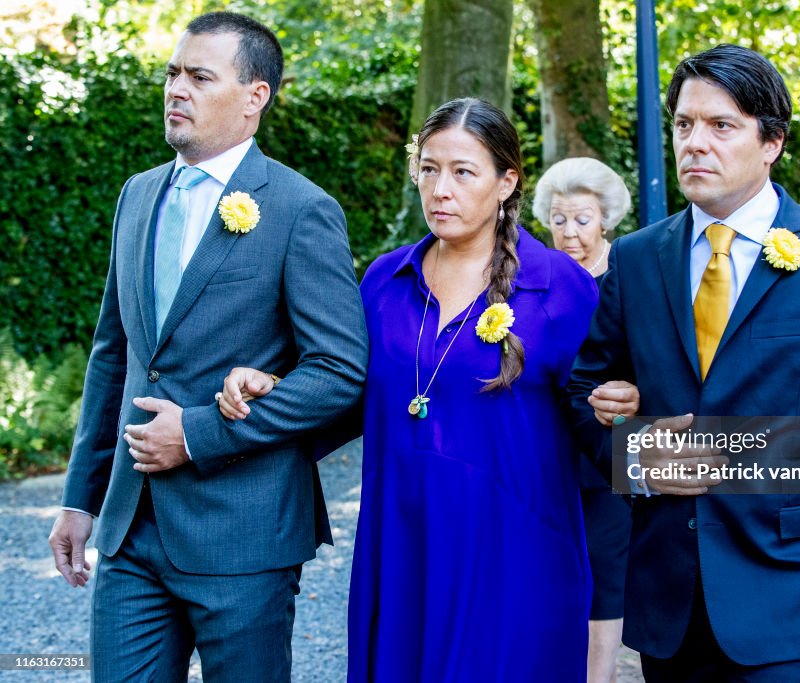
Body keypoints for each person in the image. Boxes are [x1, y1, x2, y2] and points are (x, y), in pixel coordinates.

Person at [566, 44, 800, 682]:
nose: (694, 143)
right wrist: (637, 458)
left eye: (721, 126)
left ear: (772, 144)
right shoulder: (635, 259)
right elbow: (583, 395)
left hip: (795, 590)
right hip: (670, 599)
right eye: (683, 125)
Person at [219, 98, 600, 682]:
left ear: (507, 182)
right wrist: (273, 387)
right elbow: (348, 396)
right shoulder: (384, 279)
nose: (439, 188)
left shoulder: (562, 288)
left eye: (463, 171)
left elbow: (602, 426)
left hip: (515, 559)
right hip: (403, 550)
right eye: (428, 168)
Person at [46, 12, 368, 681]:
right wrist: (82, 497)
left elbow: (341, 372)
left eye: (199, 76)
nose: (176, 90)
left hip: (245, 533)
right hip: (131, 529)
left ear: (255, 97)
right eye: (171, 73)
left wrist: (197, 434)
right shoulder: (136, 196)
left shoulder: (300, 209)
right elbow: (117, 354)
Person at [533, 157, 636, 683]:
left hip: (604, 452)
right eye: (558, 220)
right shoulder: (534, 278)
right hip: (544, 450)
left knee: (604, 579)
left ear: (605, 220)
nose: (568, 233)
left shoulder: (629, 274)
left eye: (581, 220)